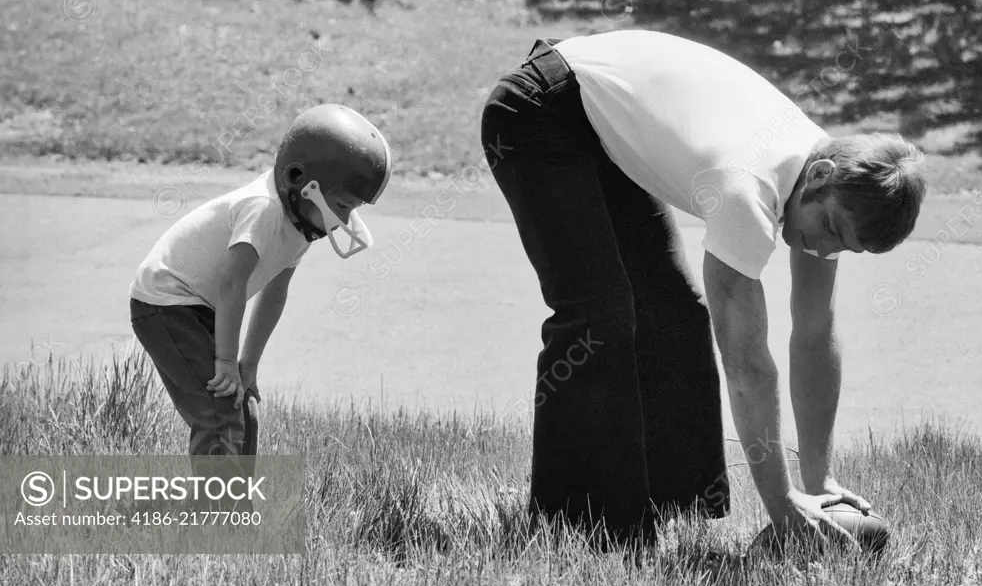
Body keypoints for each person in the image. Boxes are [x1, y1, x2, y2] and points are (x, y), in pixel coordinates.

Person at [479, 30, 927, 548]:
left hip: (596, 121)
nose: (824, 251)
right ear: (823, 175)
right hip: (539, 112)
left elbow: (814, 332)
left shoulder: (825, 184)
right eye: (828, 231)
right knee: (597, 315)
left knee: (675, 314)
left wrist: (819, 482)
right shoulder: (749, 187)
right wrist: (782, 508)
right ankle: (574, 529)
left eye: (842, 248)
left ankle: (663, 508)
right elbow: (747, 363)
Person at [129, 104, 392, 485]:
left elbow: (274, 293)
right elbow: (232, 284)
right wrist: (224, 361)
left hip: (201, 306)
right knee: (218, 410)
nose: (346, 221)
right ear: (302, 182)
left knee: (241, 404)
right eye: (342, 207)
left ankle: (237, 506)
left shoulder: (301, 225)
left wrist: (247, 365)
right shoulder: (264, 209)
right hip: (165, 303)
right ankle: (217, 521)